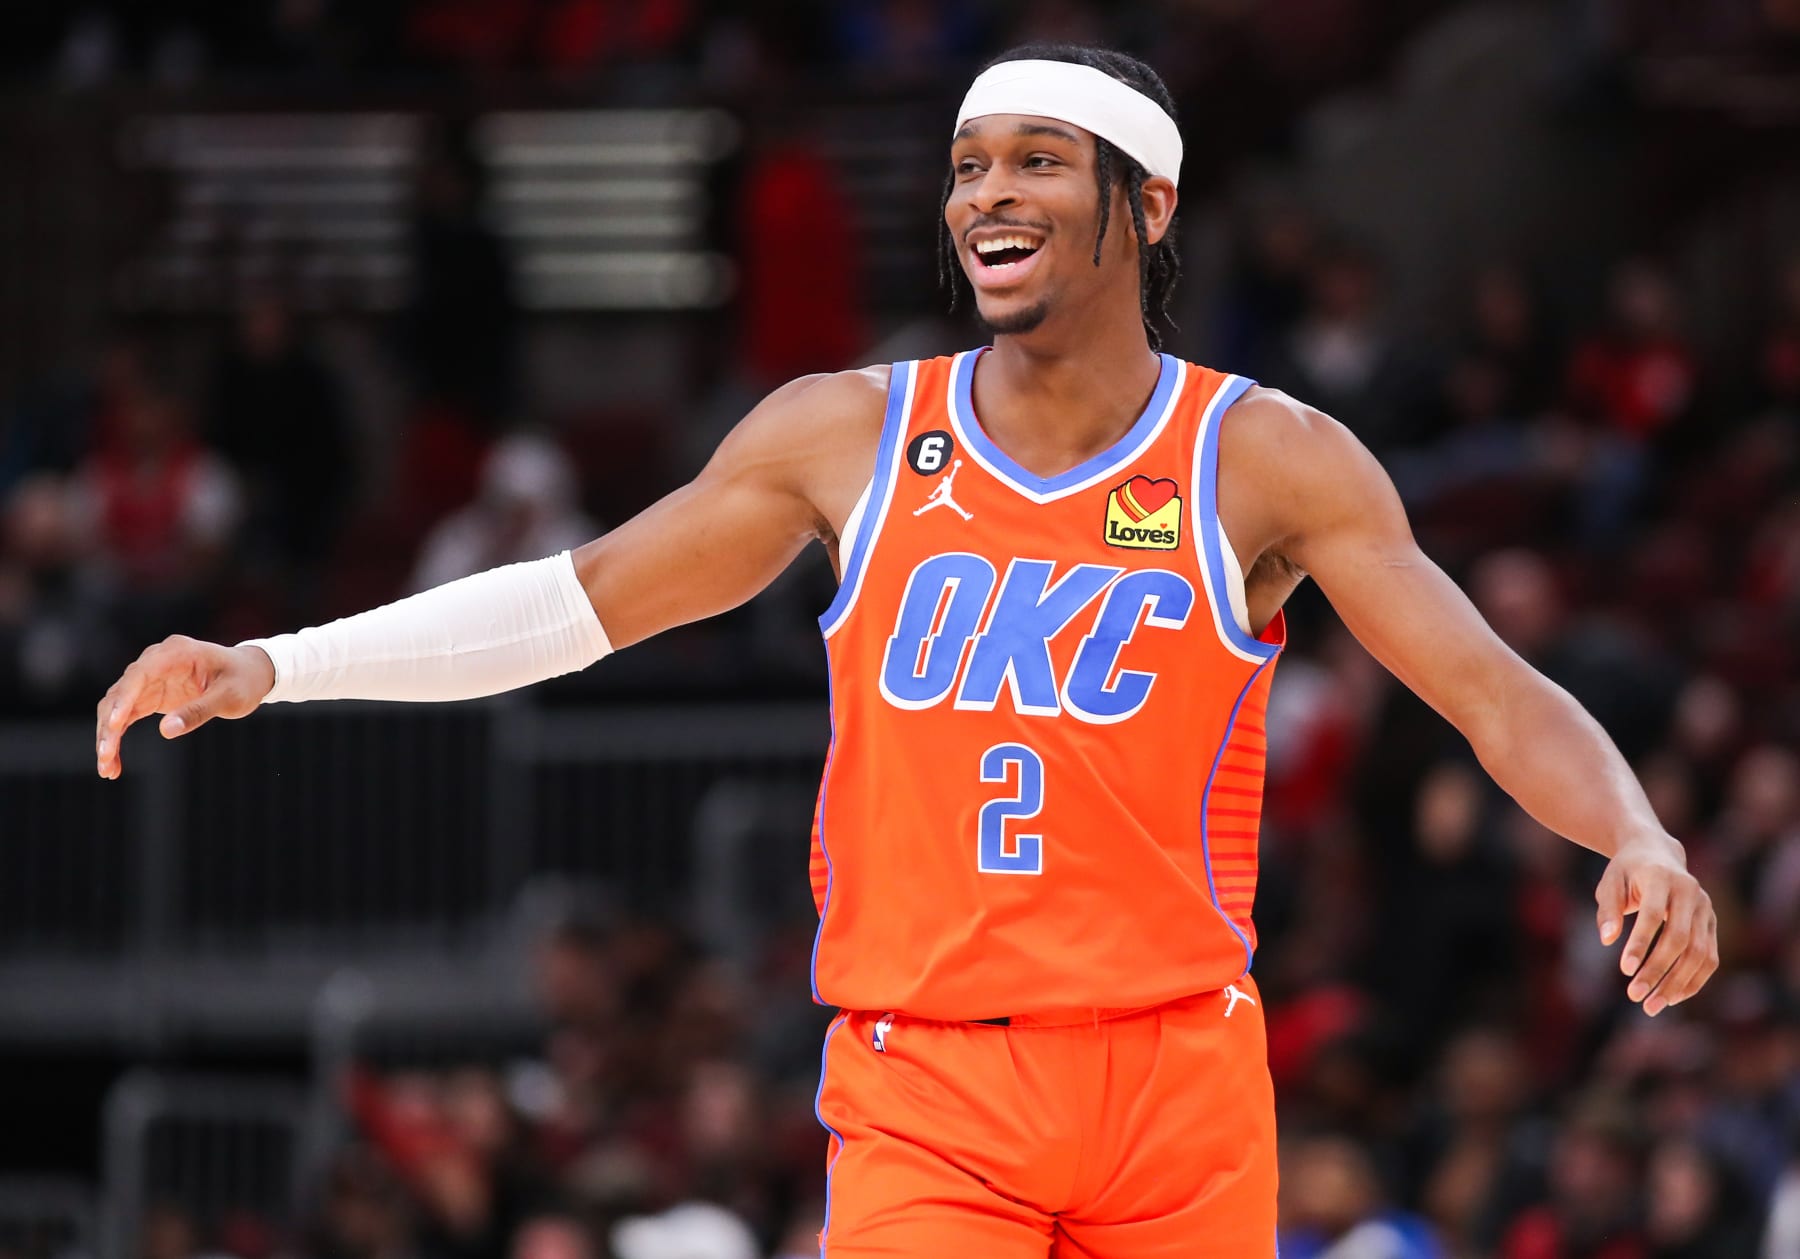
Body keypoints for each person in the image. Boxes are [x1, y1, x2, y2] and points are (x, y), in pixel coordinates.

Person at [94, 44, 1720, 1258]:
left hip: (1182, 1080)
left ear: (1142, 206)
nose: (983, 197)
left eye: (1032, 162)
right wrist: (276, 664)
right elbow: (573, 602)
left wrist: (1637, 829)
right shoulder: (849, 438)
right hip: (932, 1086)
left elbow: (1494, 691)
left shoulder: (1268, 459)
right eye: (964, 167)